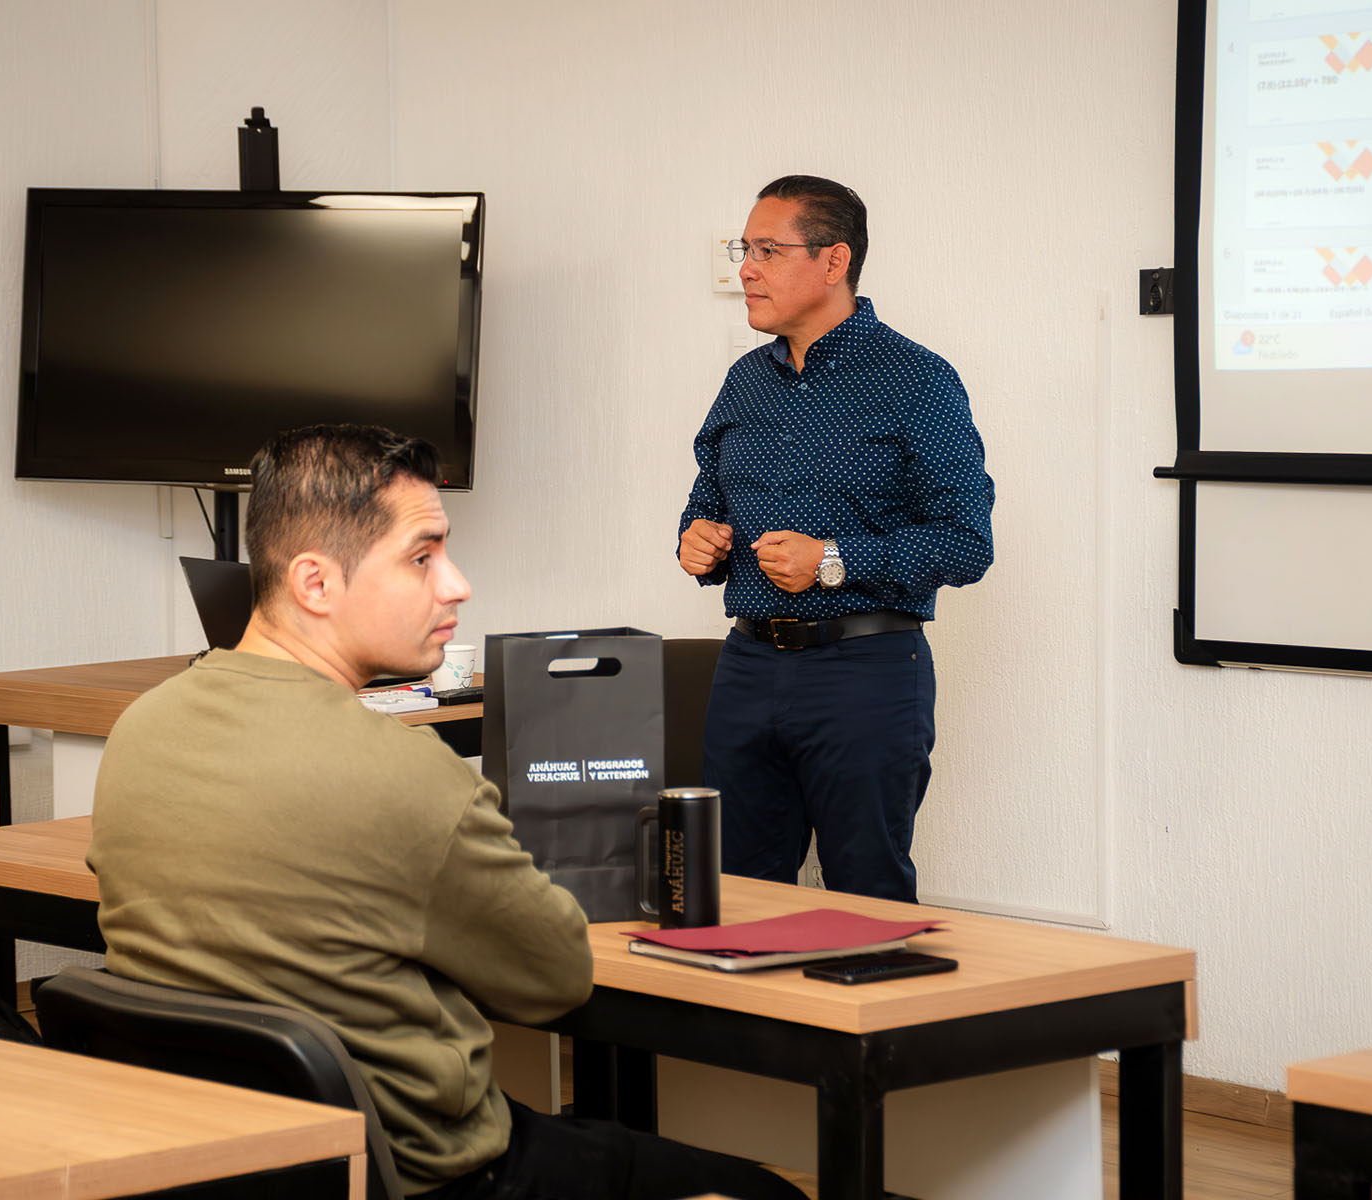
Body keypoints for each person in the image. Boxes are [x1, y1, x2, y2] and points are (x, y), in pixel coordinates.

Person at [90, 425, 802, 1200]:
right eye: (422, 557)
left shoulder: (142, 729)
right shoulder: (402, 773)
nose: (456, 584)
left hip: (226, 1161)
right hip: (430, 1173)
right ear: (315, 583)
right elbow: (554, 978)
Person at [677, 176, 994, 904]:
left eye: (766, 250)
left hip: (866, 672)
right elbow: (707, 497)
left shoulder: (917, 381)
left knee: (866, 897)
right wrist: (697, 541)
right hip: (747, 668)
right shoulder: (744, 383)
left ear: (832, 261)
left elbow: (965, 542)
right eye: (742, 249)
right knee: (735, 897)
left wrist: (831, 560)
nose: (746, 268)